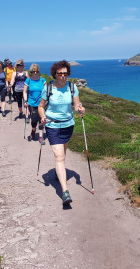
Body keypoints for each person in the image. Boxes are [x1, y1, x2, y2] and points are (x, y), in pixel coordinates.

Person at [38, 60, 85, 205]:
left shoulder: (72, 87)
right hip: (52, 125)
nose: (63, 76)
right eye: (60, 73)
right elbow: (41, 106)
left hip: (68, 125)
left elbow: (76, 106)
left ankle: (60, 174)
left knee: (63, 155)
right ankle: (65, 192)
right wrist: (43, 116)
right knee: (59, 156)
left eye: (65, 73)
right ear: (55, 74)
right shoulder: (48, 87)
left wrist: (80, 110)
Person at [23, 63, 47, 142]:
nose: (35, 73)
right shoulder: (28, 80)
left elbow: (46, 91)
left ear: (38, 71)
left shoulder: (43, 80)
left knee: (41, 119)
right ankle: (33, 130)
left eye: (36, 71)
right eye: (33, 72)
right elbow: (25, 92)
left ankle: (41, 136)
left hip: (41, 103)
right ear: (31, 72)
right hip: (32, 103)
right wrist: (26, 101)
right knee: (34, 120)